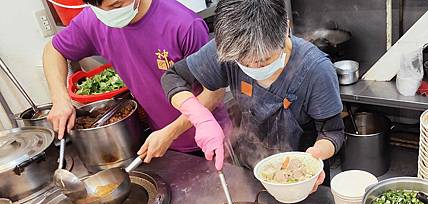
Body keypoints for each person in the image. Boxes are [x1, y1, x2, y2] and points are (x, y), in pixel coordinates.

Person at [161, 0, 344, 187]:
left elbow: (333, 132)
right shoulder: (231, 47)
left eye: (263, 60)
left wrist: (314, 157)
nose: (253, 68)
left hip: (303, 181)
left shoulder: (317, 69)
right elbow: (173, 77)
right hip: (250, 172)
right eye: (243, 62)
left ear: (285, 29)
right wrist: (201, 118)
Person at [43, 0, 229, 163]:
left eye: (116, 5)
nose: (109, 14)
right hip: (160, 141)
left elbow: (214, 92)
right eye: (100, 8)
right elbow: (53, 50)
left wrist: (171, 132)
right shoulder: (94, 19)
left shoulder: (183, 24)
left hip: (209, 137)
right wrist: (60, 99)